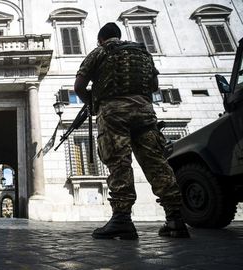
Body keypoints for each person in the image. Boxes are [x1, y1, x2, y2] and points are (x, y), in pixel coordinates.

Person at [74, 22, 190, 239]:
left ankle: (122, 219)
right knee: (156, 163)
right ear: (119, 35)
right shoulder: (143, 53)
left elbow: (79, 86)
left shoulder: (99, 52)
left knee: (119, 163)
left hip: (114, 114)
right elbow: (154, 85)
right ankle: (175, 219)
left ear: (101, 39)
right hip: (145, 112)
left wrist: (92, 103)